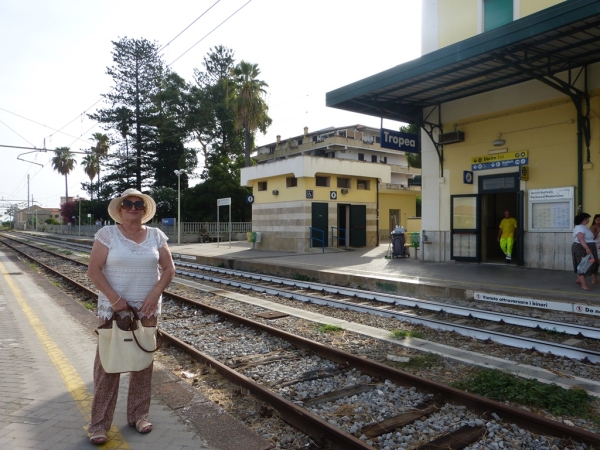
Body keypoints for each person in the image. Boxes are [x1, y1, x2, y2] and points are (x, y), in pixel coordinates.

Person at [87, 188, 175, 445]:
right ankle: (99, 424)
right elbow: (94, 270)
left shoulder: (156, 236)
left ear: (145, 210)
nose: (133, 208)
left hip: (146, 311)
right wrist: (115, 300)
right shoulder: (107, 234)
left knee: (142, 364)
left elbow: (169, 269)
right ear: (121, 209)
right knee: (107, 366)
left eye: (138, 204)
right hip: (114, 311)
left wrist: (155, 293)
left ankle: (138, 415)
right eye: (128, 204)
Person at [572, 212, 598, 291]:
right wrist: (587, 248)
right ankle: (583, 284)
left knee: (589, 263)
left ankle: (580, 279)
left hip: (588, 246)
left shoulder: (584, 227)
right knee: (582, 265)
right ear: (583, 219)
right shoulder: (580, 228)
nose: (588, 220)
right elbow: (581, 239)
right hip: (582, 248)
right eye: (587, 218)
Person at [589, 214, 600, 284]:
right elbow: (592, 238)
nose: (599, 221)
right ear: (594, 220)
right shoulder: (593, 227)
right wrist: (597, 231)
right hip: (595, 247)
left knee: (596, 264)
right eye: (598, 220)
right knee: (596, 263)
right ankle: (594, 279)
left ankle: (594, 279)